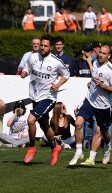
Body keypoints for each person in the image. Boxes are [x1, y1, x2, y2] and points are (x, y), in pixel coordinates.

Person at [20, 34, 70, 166]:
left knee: (30, 120)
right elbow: (27, 67)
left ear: (51, 47)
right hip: (35, 95)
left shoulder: (55, 61)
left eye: (45, 46)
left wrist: (58, 84)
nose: (42, 48)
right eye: (41, 45)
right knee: (44, 125)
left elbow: (67, 74)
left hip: (48, 97)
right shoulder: (33, 57)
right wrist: (25, 72)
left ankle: (31, 147)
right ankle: (55, 147)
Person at [70, 45, 112, 166]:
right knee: (78, 123)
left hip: (103, 106)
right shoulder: (95, 63)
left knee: (103, 131)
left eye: (104, 53)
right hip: (90, 100)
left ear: (109, 56)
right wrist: (91, 83)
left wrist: (103, 86)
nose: (101, 55)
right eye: (100, 52)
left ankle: (107, 147)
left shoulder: (110, 70)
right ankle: (79, 152)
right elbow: (94, 77)